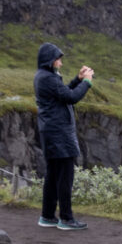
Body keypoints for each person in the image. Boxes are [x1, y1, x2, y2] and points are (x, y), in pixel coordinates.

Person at [33, 42, 94, 230]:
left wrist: (77, 79)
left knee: (53, 175)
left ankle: (48, 216)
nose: (60, 62)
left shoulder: (44, 77)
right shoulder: (48, 78)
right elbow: (72, 97)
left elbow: (64, 92)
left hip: (51, 133)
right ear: (50, 60)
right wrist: (87, 82)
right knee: (65, 176)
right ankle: (66, 219)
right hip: (59, 134)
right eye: (58, 58)